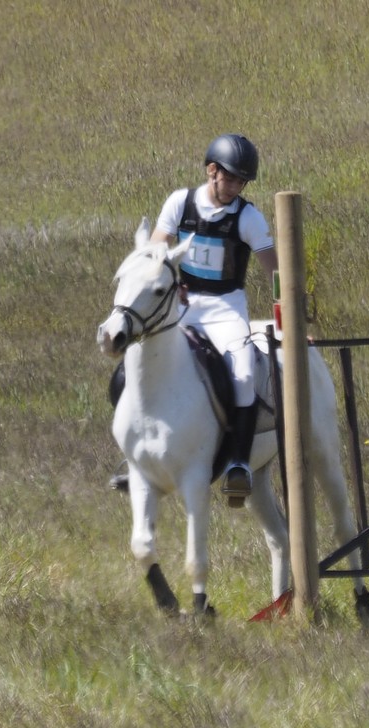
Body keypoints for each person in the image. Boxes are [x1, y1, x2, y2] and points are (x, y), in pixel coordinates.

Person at [112, 133, 277, 506]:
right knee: (132, 367)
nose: (235, 187)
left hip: (226, 309)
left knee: (244, 373)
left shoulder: (248, 217)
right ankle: (135, 456)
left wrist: (292, 315)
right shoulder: (179, 202)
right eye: (231, 178)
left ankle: (238, 463)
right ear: (211, 171)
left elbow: (275, 271)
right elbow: (155, 254)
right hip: (179, 306)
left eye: (242, 182)